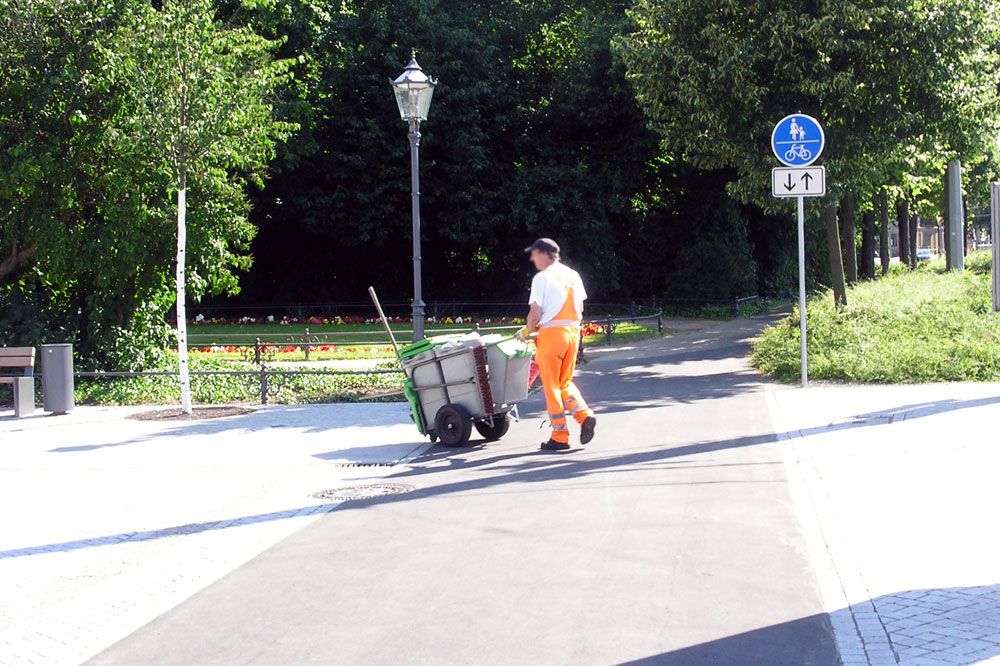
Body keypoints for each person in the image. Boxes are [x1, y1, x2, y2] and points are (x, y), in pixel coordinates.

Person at [517, 238, 596, 451]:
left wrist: (526, 331)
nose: (532, 259)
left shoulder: (542, 278)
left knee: (551, 386)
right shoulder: (573, 275)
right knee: (565, 383)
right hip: (573, 333)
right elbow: (579, 307)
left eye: (534, 254)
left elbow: (535, 316)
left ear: (544, 254)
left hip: (552, 336)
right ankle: (584, 416)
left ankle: (559, 436)